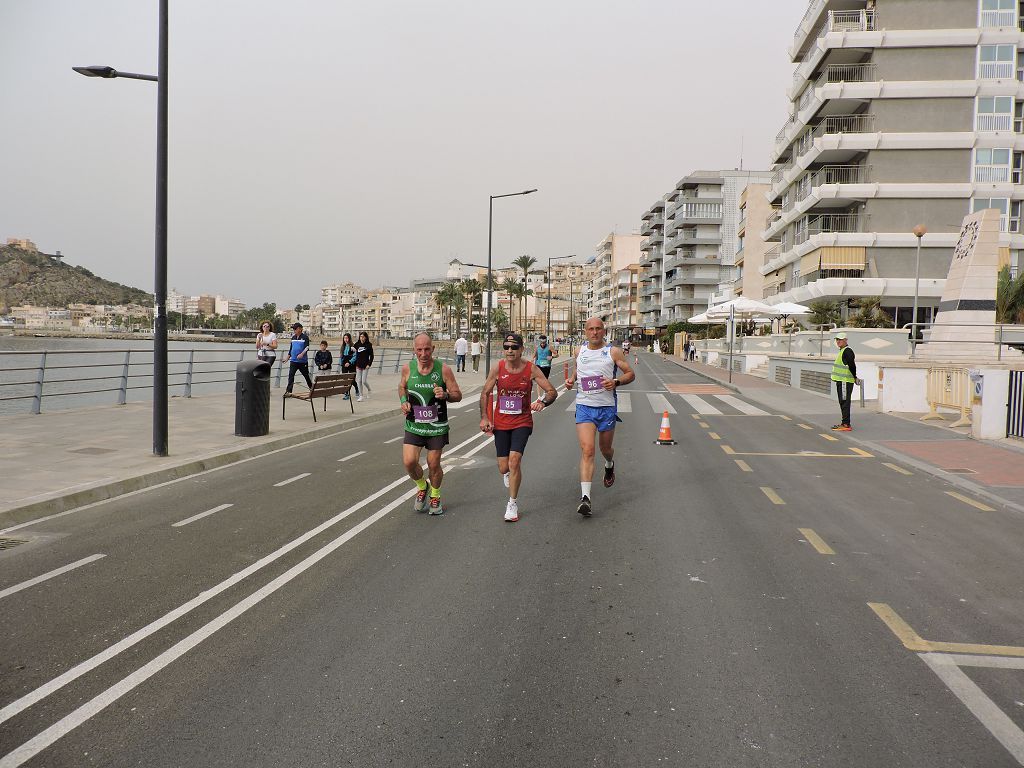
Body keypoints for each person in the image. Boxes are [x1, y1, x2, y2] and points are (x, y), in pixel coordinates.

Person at [480, 332, 559, 522]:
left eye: (514, 347)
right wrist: (484, 417)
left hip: (522, 422)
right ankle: (507, 472)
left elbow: (552, 392)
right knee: (503, 466)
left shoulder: (531, 369)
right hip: (501, 422)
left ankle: (512, 503)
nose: (510, 350)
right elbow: (485, 393)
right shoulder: (497, 368)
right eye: (507, 347)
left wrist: (543, 403)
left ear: (522, 349)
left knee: (515, 461)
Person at [565, 317, 636, 517]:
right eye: (591, 329)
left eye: (598, 329)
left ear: (604, 331)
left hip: (606, 408)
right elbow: (579, 370)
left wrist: (616, 381)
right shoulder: (579, 351)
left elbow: (630, 373)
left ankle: (609, 464)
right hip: (584, 406)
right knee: (587, 449)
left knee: (605, 449)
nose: (594, 332)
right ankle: (585, 498)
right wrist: (571, 380)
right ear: (585, 332)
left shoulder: (613, 352)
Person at [399, 332, 463, 515]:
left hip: (436, 427)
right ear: (414, 350)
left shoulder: (443, 370)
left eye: (427, 349)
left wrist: (446, 395)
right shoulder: (407, 368)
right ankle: (422, 486)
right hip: (414, 424)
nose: (423, 353)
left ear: (433, 349)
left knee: (433, 463)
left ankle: (435, 495)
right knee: (409, 462)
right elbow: (401, 386)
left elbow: (458, 395)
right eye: (419, 350)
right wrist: (404, 400)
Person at [831, 332, 859, 432]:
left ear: (846, 340)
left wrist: (855, 377)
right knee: (843, 401)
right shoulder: (842, 351)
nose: (838, 341)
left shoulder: (847, 351)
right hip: (842, 381)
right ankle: (844, 423)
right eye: (837, 339)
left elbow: (852, 365)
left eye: (840, 339)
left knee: (844, 402)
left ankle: (846, 424)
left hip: (844, 382)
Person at [285, 322, 312, 393]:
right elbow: (291, 349)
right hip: (293, 361)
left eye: (295, 329)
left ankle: (311, 388)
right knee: (291, 375)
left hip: (302, 362)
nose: (294, 330)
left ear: (300, 329)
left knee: (306, 376)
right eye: (293, 329)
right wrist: (287, 358)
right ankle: (289, 391)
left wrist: (302, 354)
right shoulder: (293, 337)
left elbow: (307, 347)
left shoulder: (305, 337)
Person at [355, 331, 374, 402]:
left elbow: (371, 356)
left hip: (365, 365)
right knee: (358, 381)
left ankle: (369, 389)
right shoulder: (357, 344)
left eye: (363, 336)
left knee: (364, 381)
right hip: (358, 365)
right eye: (360, 336)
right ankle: (361, 396)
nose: (361, 338)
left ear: (365, 337)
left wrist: (369, 364)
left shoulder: (369, 345)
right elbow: (353, 350)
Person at [340, 332, 359, 400]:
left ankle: (356, 388)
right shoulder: (343, 346)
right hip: (344, 363)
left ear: (349, 339)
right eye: (344, 338)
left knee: (352, 379)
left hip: (351, 364)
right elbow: (341, 356)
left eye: (347, 338)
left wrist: (349, 362)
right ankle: (346, 394)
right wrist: (341, 362)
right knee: (345, 379)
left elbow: (355, 356)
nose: (346, 339)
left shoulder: (353, 346)